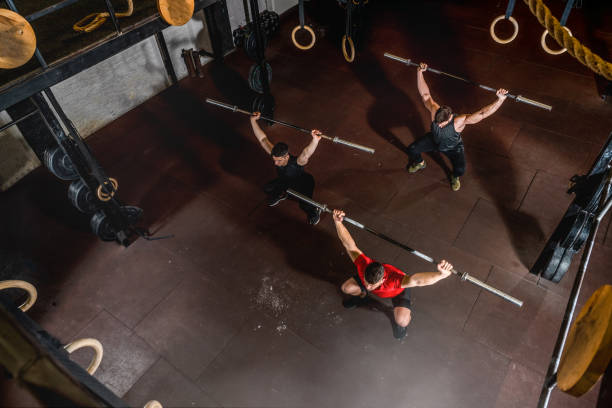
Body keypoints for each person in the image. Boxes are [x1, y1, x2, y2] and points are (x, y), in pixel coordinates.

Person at [332, 209, 453, 339]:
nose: (369, 287)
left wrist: (442, 275)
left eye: (372, 286)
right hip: (375, 278)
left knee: (402, 320)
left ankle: (401, 326)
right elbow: (349, 245)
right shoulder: (363, 264)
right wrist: (338, 223)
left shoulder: (396, 281)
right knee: (346, 288)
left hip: (397, 292)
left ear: (383, 280)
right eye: (367, 283)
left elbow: (417, 281)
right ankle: (361, 296)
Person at [406, 62, 509, 191]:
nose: (439, 125)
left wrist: (500, 100)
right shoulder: (435, 110)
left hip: (453, 147)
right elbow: (425, 95)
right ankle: (420, 163)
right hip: (434, 140)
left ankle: (454, 177)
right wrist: (419, 72)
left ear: (450, 117)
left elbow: (482, 114)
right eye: (437, 123)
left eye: (441, 123)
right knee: (412, 150)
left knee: (460, 170)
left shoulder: (459, 121)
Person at [250, 112, 323, 225]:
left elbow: (306, 153)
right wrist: (253, 121)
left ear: (286, 156)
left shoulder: (297, 162)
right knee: (267, 188)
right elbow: (263, 139)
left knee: (304, 205)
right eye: (274, 159)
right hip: (286, 182)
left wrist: (315, 140)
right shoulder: (276, 156)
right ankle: (283, 194)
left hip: (304, 184)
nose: (275, 163)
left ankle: (315, 211)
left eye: (278, 160)